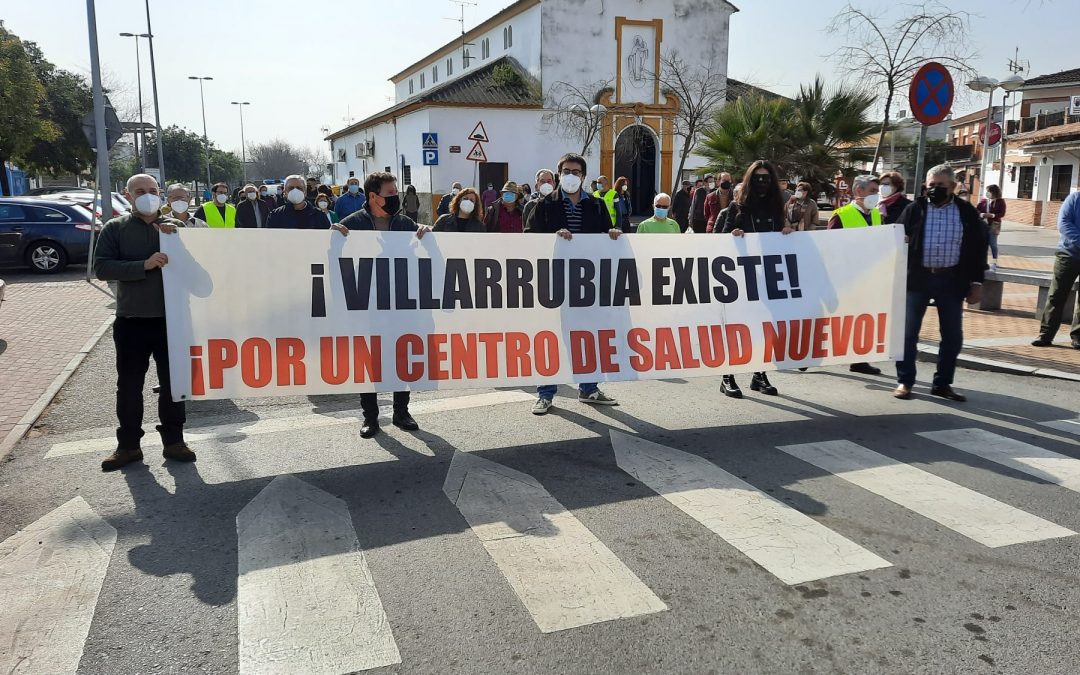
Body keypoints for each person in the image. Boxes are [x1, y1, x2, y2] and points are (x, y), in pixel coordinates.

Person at [93, 173, 195, 471]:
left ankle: (174, 440)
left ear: (161, 193)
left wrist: (177, 239)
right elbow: (102, 267)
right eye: (140, 191)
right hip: (132, 320)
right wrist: (144, 265)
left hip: (171, 320)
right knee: (129, 386)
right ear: (127, 194)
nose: (147, 195)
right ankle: (128, 446)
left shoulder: (176, 228)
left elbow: (197, 270)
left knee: (173, 384)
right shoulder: (116, 228)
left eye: (152, 190)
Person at [524, 152, 621, 414]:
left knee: (587, 335)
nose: (570, 176)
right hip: (555, 282)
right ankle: (545, 393)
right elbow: (529, 238)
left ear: (583, 176)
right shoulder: (545, 205)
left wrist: (612, 234)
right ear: (558, 175)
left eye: (576, 172)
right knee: (553, 336)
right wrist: (551, 237)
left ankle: (588, 388)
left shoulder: (597, 205)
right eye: (566, 171)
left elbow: (606, 235)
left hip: (587, 284)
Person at [337, 171, 431, 438]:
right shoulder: (352, 224)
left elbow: (427, 253)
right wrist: (333, 237)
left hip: (400, 304)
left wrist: (426, 234)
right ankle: (371, 417)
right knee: (372, 362)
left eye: (395, 193)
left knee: (401, 357)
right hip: (368, 305)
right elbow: (332, 257)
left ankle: (402, 412)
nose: (395, 198)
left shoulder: (404, 224)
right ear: (373, 197)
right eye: (390, 194)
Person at [894, 164, 987, 401]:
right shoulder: (915, 209)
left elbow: (978, 249)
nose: (934, 189)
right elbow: (895, 242)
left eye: (941, 186)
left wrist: (977, 283)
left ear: (953, 187)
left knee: (952, 336)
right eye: (931, 185)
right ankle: (905, 381)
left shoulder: (967, 212)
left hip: (951, 280)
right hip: (917, 279)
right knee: (907, 334)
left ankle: (943, 384)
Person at [718, 160, 793, 398]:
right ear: (751, 180)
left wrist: (787, 234)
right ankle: (727, 376)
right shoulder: (737, 206)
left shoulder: (775, 209)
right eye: (758, 178)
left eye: (766, 178)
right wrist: (733, 234)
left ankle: (759, 375)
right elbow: (719, 239)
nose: (763, 182)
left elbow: (782, 237)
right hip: (741, 278)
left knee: (765, 328)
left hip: (768, 277)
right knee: (737, 328)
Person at [1032, 188, 1080, 350]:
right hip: (1068, 254)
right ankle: (1046, 334)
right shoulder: (1074, 199)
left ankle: (1078, 337)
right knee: (1056, 295)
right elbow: (1064, 223)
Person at [266, 175, 334, 229]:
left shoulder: (319, 215)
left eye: (299, 188)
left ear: (305, 192)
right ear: (285, 192)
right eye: (291, 188)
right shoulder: (275, 216)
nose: (295, 191)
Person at [977, 184, 1006, 271]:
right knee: (983, 243)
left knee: (993, 243)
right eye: (987, 191)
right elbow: (976, 210)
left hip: (995, 224)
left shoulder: (1000, 201)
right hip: (983, 224)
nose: (988, 193)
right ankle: (983, 262)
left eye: (989, 191)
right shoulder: (983, 201)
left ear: (994, 192)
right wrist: (982, 214)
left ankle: (994, 262)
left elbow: (1002, 213)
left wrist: (992, 215)